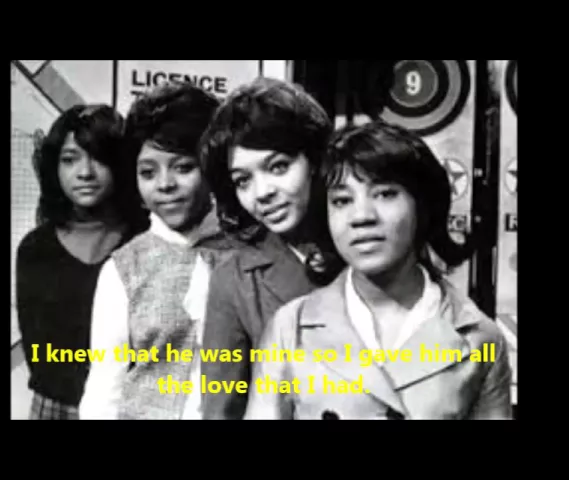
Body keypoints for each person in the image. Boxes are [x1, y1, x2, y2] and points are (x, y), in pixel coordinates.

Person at [243, 121, 513, 420]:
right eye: (342, 201)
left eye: (385, 194)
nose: (361, 216)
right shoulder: (290, 327)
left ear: (422, 206)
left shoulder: (480, 337)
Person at [79, 81, 236, 420]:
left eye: (183, 167)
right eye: (148, 172)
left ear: (212, 167)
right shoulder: (124, 268)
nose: (165, 184)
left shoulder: (246, 255)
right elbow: (104, 387)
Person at [199, 77, 344, 420]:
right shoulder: (234, 281)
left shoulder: (370, 246)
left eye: (278, 166)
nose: (262, 192)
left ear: (314, 160)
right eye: (243, 181)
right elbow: (220, 409)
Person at [16, 104, 147, 420]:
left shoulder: (146, 240)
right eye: (69, 159)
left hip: (131, 406)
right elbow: (39, 354)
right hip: (54, 405)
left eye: (99, 157)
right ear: (54, 167)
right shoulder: (36, 248)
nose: (85, 172)